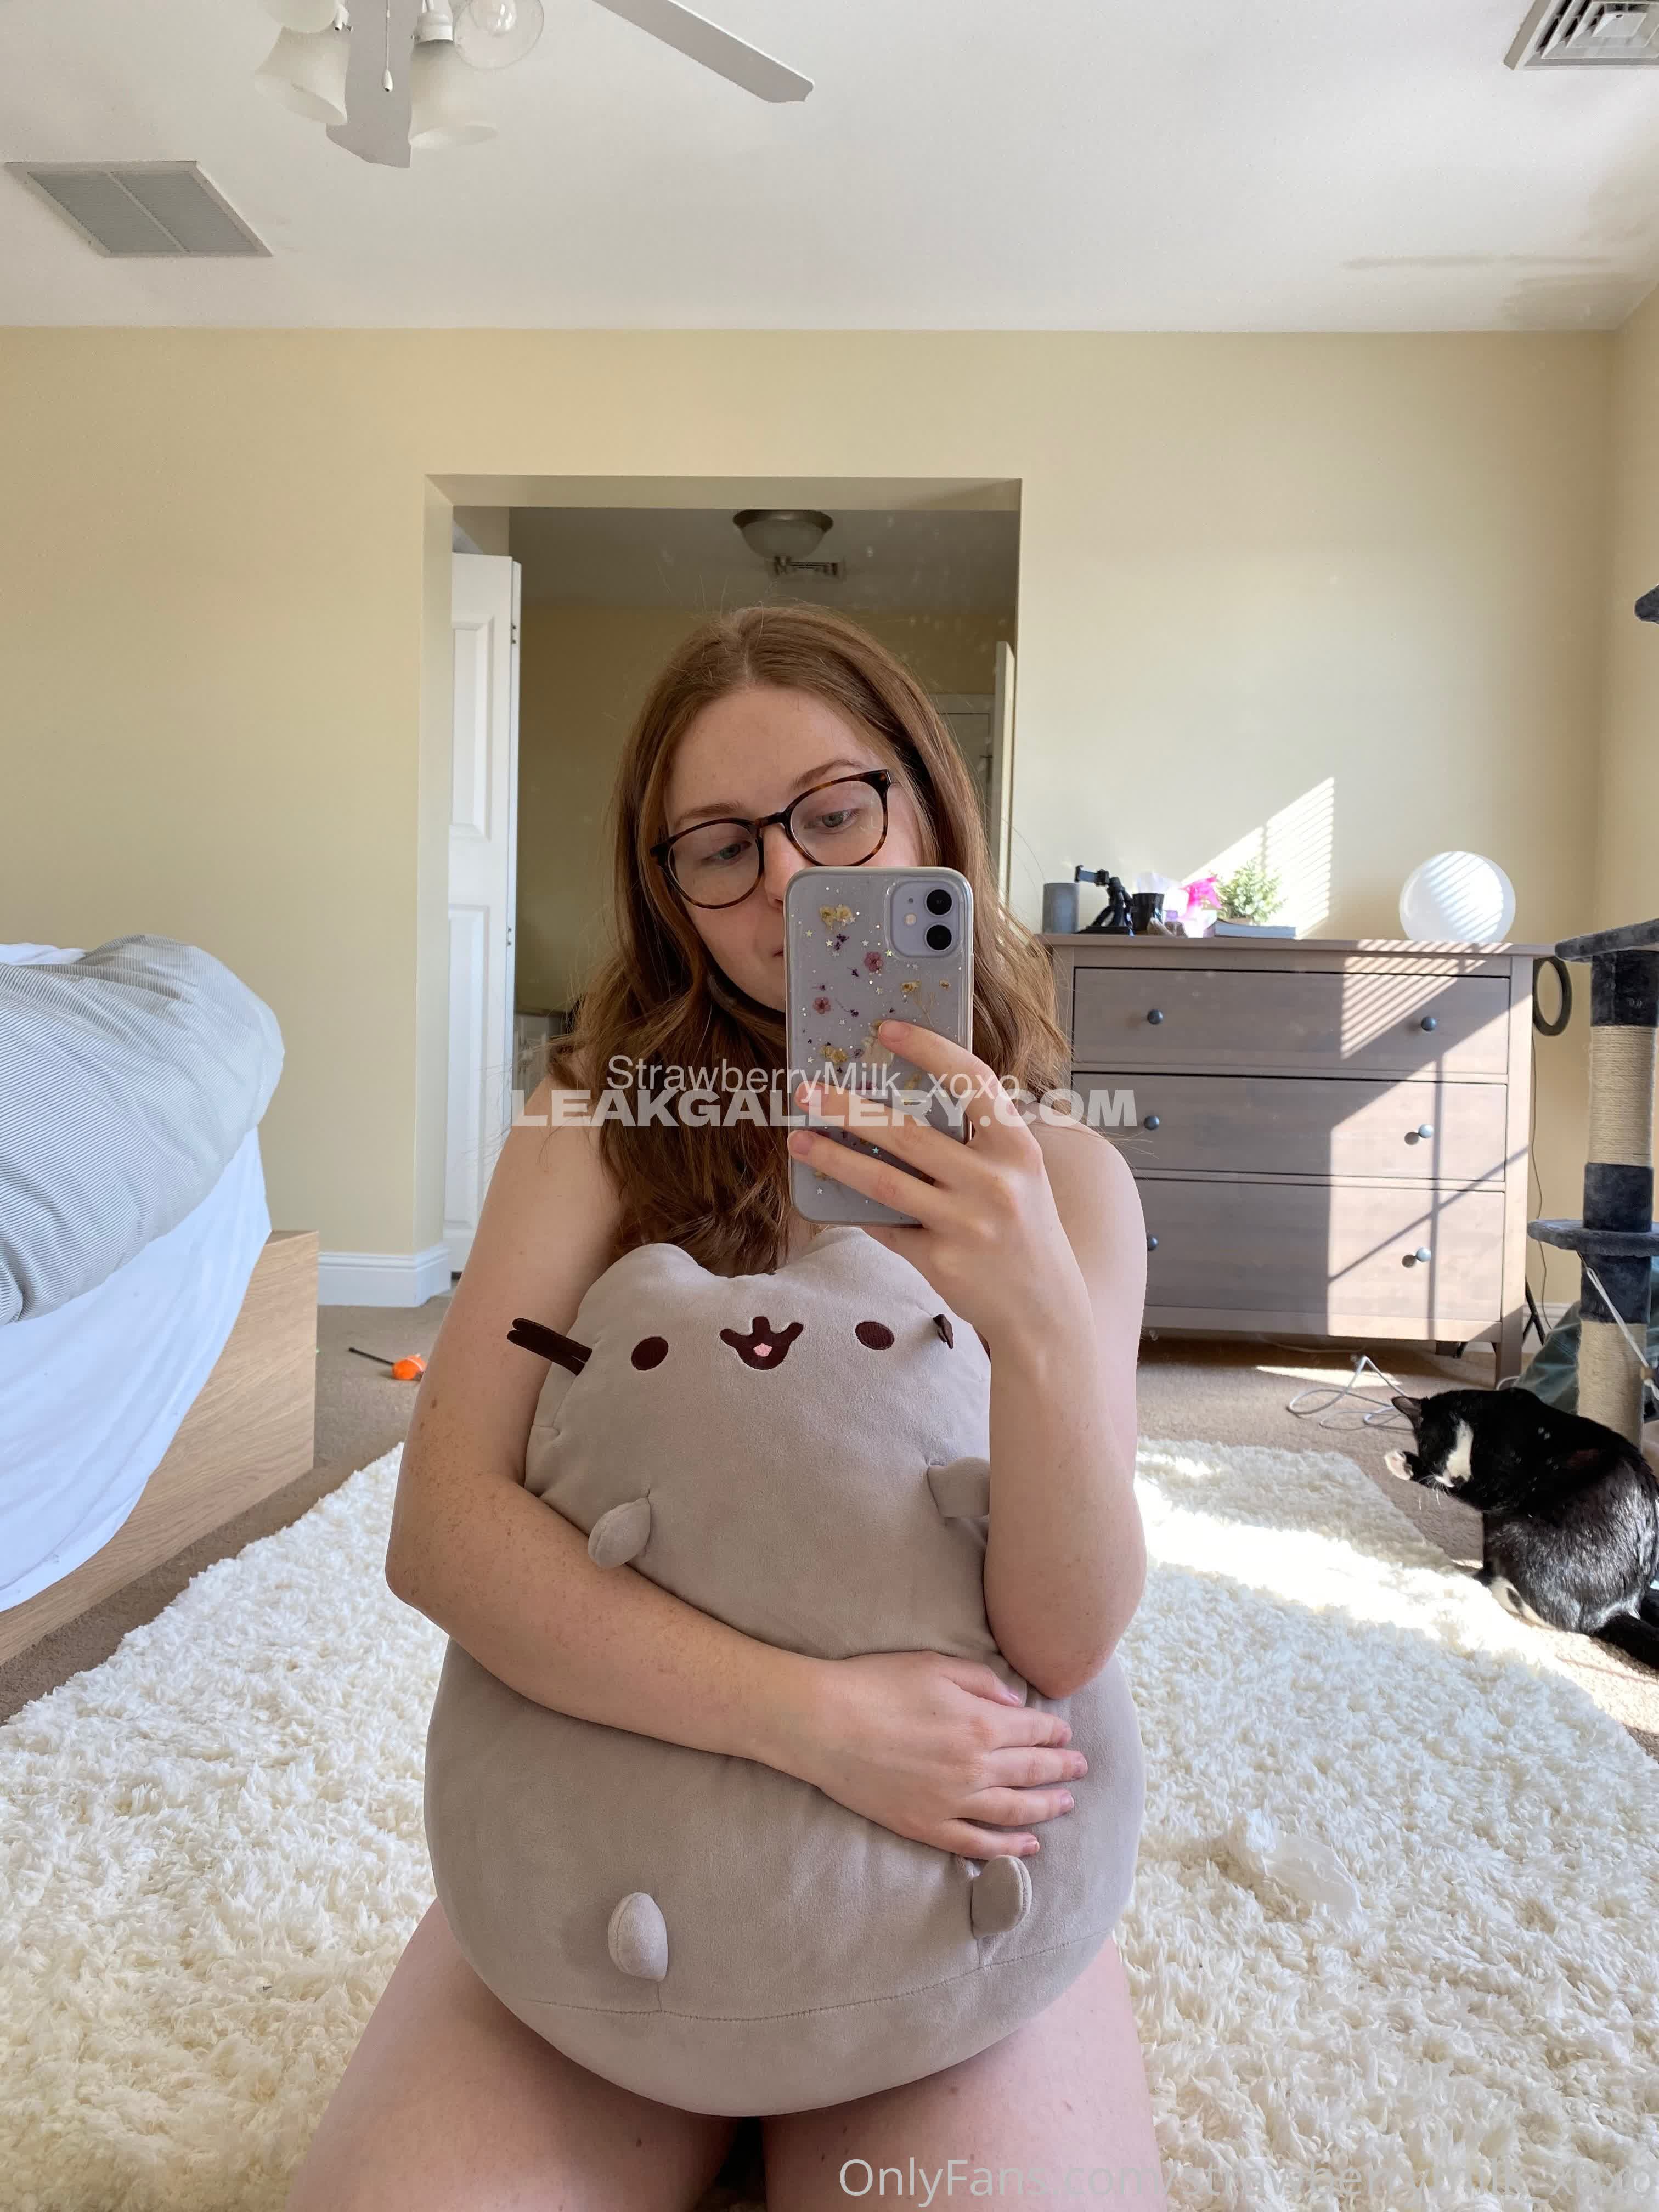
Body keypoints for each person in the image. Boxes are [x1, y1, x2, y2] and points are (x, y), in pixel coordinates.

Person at [285, 603, 1164, 2211]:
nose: (786, 884)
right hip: (602, 1870)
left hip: (951, 1898)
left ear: (927, 808)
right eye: (720, 846)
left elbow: (1065, 1637)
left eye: (834, 812)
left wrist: (1038, 1312)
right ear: (666, 890)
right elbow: (444, 1529)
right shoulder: (591, 1125)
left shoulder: (1070, 1181)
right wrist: (815, 1722)